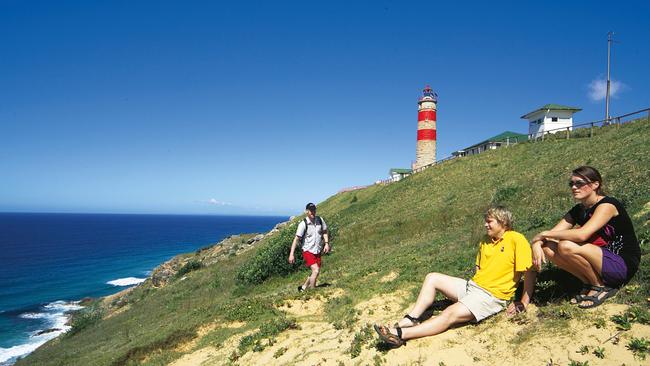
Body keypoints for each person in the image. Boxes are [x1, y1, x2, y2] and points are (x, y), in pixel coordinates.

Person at [374, 206, 535, 347]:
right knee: (432, 277)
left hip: (491, 296)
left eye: (490, 221)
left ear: (503, 222)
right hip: (473, 287)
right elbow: (479, 267)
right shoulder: (485, 240)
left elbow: (529, 271)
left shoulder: (516, 239)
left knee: (449, 314)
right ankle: (411, 318)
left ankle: (398, 334)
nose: (485, 224)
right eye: (485, 221)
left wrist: (523, 302)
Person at [531, 166, 640, 308]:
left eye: (579, 183)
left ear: (596, 185)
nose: (574, 187)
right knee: (548, 247)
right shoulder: (578, 210)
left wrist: (543, 234)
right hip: (599, 259)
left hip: (621, 264)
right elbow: (552, 234)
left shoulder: (607, 205)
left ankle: (599, 286)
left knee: (565, 245)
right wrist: (537, 243)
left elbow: (583, 235)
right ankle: (589, 283)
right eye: (572, 184)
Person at [289, 203, 330, 292]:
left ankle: (303, 287)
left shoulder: (320, 220)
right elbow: (296, 239)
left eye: (314, 210)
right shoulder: (303, 224)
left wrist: (326, 243)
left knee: (315, 271)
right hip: (308, 250)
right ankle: (312, 291)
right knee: (316, 270)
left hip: (317, 250)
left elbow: (325, 232)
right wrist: (291, 254)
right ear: (306, 211)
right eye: (311, 210)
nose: (313, 212)